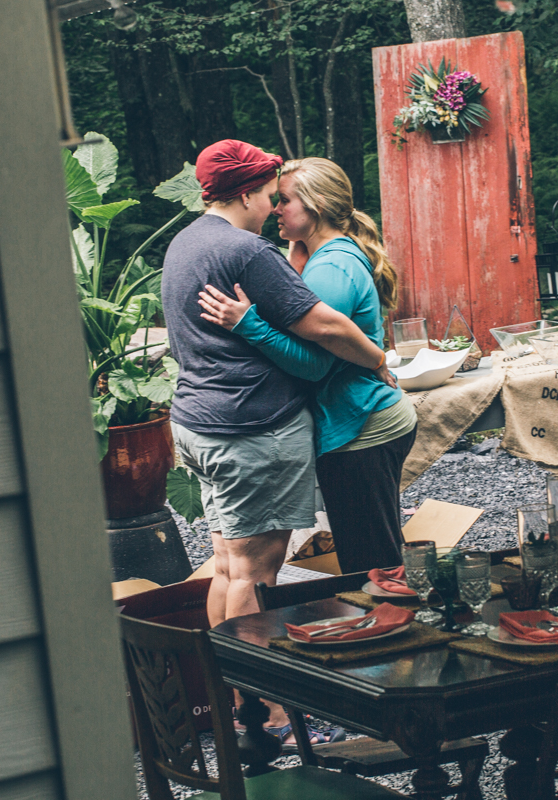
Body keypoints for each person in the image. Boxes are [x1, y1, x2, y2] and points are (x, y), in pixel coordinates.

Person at [161, 141, 391, 633]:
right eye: (269, 195)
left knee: (226, 567)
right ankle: (265, 706)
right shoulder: (247, 251)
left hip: (197, 425)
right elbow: (325, 329)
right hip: (252, 430)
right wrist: (375, 357)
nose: (272, 207)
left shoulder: (186, 243)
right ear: (245, 195)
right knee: (255, 575)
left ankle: (235, 697)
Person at [197, 157, 417, 574]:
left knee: (371, 563)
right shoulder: (320, 258)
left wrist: (248, 325)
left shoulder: (332, 266)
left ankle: (394, 630)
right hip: (359, 419)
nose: (274, 209)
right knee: (374, 549)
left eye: (283, 200)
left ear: (315, 205)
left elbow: (314, 365)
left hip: (361, 425)